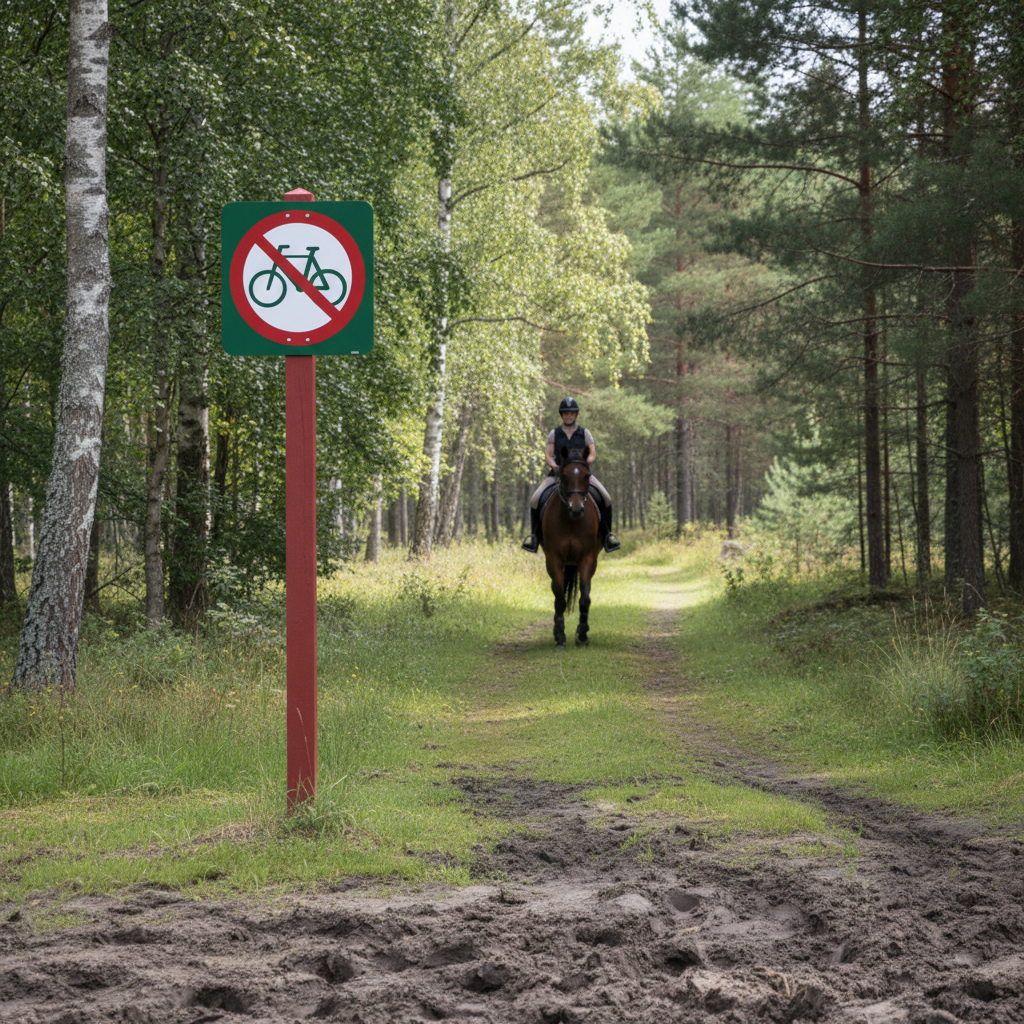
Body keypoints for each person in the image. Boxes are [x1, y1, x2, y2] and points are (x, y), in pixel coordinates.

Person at [522, 397, 621, 554]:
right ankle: (534, 537)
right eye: (566, 414)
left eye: (572, 414)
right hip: (558, 475)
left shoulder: (585, 433)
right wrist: (555, 466)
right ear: (562, 415)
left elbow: (593, 454)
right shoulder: (554, 434)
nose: (569, 416)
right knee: (535, 498)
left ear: (576, 415)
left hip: (581, 476)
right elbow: (548, 454)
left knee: (606, 498)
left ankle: (608, 535)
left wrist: (582, 465)